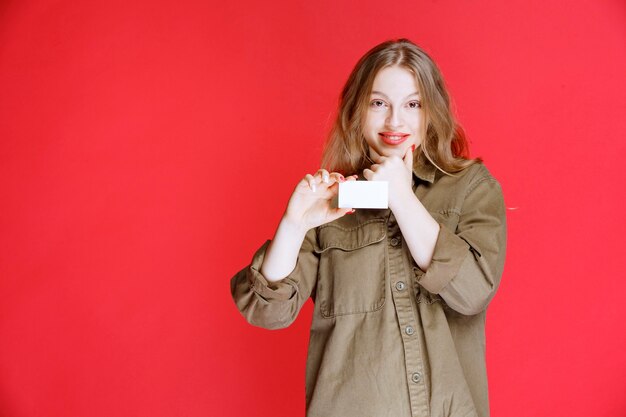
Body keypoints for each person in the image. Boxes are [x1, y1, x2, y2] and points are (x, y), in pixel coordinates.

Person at [230, 39, 507, 417]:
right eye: (379, 104)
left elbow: (474, 291)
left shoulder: (471, 186)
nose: (395, 122)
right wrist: (293, 226)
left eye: (413, 104)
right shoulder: (331, 200)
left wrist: (403, 198)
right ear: (357, 111)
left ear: (432, 111)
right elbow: (268, 312)